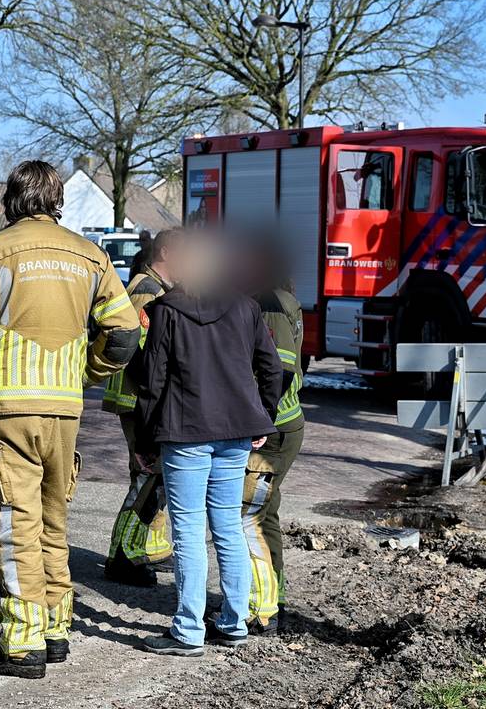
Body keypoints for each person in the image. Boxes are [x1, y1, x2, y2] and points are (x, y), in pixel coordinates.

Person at [0, 160, 141, 679]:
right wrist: (86, 372)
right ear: (57, 200)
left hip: (9, 410)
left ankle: (23, 645)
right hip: (64, 411)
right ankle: (57, 631)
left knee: (14, 526)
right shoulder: (92, 255)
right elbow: (124, 333)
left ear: (12, 198)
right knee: (54, 522)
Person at [130, 237, 284, 656]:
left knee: (188, 533)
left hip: (185, 434)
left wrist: (143, 440)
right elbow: (273, 368)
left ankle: (188, 631)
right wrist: (261, 416)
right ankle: (234, 622)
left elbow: (152, 381)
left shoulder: (165, 311)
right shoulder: (246, 308)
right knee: (228, 527)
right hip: (235, 432)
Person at [101, 229, 184, 587]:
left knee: (150, 480)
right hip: (138, 401)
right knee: (147, 478)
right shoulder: (146, 292)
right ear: (166, 252)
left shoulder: (155, 289)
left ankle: (134, 550)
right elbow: (140, 354)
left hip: (143, 399)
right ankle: (123, 557)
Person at [241, 278, 306, 635]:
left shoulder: (269, 302)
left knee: (249, 516)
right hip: (281, 425)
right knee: (264, 515)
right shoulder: (284, 299)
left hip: (273, 430)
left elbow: (279, 370)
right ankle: (271, 597)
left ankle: (261, 608)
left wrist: (259, 421)